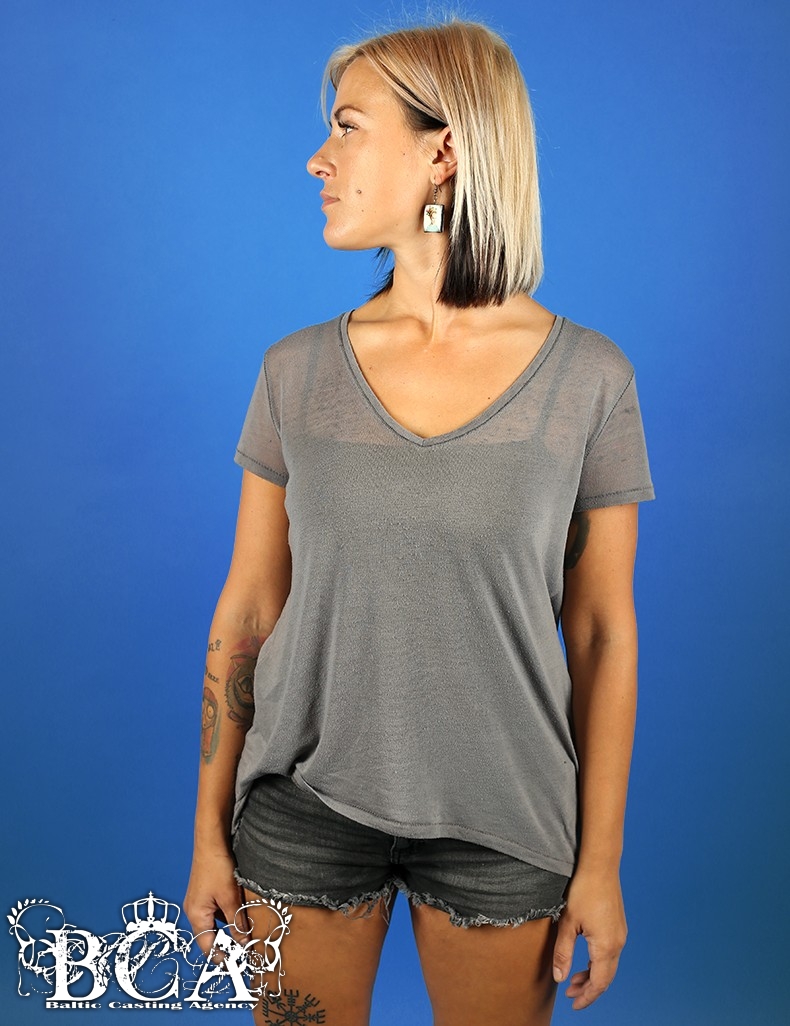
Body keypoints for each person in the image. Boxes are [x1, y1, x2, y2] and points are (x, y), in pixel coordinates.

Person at [184, 19, 654, 1026]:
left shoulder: (590, 380)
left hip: (506, 819)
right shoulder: (294, 372)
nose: (319, 158)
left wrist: (601, 864)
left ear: (443, 153)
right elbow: (251, 608)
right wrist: (207, 835)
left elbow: (601, 634)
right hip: (302, 810)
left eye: (348, 126)